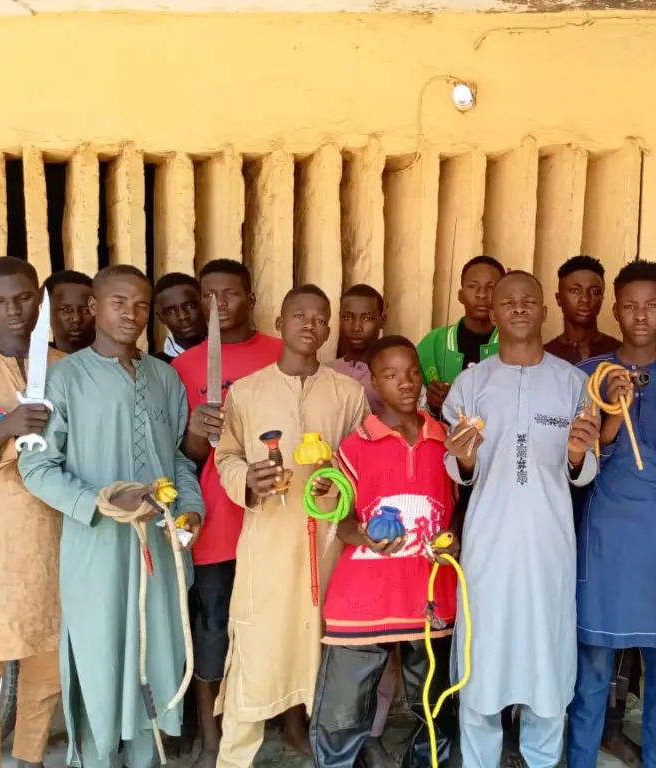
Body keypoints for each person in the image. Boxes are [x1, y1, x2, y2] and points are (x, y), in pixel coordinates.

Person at [20, 264, 204, 768]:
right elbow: (36, 467)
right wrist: (98, 502)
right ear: (94, 307)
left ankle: (146, 759)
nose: (131, 314)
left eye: (141, 305)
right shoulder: (64, 378)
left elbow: (178, 460)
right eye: (119, 302)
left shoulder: (165, 378)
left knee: (156, 656)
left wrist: (190, 510)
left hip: (159, 550)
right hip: (95, 549)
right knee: (99, 659)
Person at [442, 269, 601, 768]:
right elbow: (457, 470)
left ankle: (541, 758)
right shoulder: (471, 384)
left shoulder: (572, 383)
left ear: (543, 309)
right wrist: (465, 460)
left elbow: (584, 470)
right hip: (487, 545)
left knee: (546, 657)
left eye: (527, 300)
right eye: (507, 301)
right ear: (493, 311)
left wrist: (576, 454)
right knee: (482, 655)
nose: (517, 308)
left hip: (548, 545)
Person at [213, 284, 369, 768]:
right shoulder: (247, 391)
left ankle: (328, 750)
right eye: (300, 316)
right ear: (280, 325)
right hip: (268, 544)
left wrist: (337, 483)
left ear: (328, 329)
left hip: (329, 546)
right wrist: (248, 478)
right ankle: (234, 759)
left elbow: (363, 464)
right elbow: (226, 456)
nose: (310, 324)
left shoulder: (347, 393)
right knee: (256, 649)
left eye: (320, 318)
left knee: (323, 649)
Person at [568, 260, 656, 768]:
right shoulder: (587, 375)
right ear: (615, 311)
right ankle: (580, 760)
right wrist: (610, 422)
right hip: (604, 538)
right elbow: (572, 465)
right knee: (592, 673)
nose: (641, 315)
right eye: (630, 306)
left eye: (652, 305)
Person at [310, 335, 458, 768]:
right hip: (363, 597)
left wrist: (453, 537)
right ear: (373, 382)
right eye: (391, 375)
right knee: (343, 711)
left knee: (435, 706)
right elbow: (341, 523)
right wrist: (363, 536)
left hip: (429, 593)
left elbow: (461, 505)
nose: (406, 383)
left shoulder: (446, 441)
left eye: (412, 372)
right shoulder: (355, 446)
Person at [171, 258, 282, 768]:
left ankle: (288, 722)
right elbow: (183, 458)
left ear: (251, 298)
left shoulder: (280, 354)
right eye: (208, 296)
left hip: (273, 517)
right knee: (212, 626)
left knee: (276, 622)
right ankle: (212, 734)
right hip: (215, 520)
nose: (218, 304)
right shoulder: (186, 367)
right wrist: (197, 432)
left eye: (230, 293)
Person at [0, 257, 64, 768]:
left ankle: (31, 758)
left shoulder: (70, 368)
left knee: (47, 665)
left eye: (22, 298)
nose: (13, 310)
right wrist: (7, 426)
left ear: (40, 299)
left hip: (57, 536)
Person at [417, 255, 504, 416]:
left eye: (491, 287)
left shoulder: (513, 343)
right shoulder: (433, 342)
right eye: (473, 286)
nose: (482, 294)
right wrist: (431, 402)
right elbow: (409, 399)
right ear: (460, 295)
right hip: (444, 431)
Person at [544, 255, 621, 365]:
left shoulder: (619, 352)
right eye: (574, 290)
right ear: (558, 298)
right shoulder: (546, 356)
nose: (585, 299)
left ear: (602, 298)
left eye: (595, 292)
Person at [330, 283, 388, 415]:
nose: (356, 327)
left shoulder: (392, 375)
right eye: (347, 317)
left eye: (367, 318)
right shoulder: (326, 372)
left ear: (382, 320)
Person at [154, 272, 207, 364]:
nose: (183, 316)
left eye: (190, 306)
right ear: (161, 318)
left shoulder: (231, 350)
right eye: (170, 312)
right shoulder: (156, 366)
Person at [43, 269, 95, 354]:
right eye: (65, 310)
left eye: (86, 310)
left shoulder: (115, 358)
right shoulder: (34, 359)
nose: (76, 319)